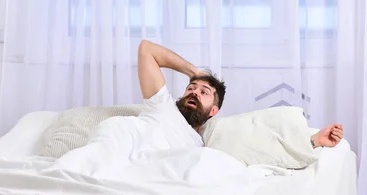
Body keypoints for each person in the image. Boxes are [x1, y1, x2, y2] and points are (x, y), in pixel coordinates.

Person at [137, 39, 343, 149]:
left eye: (204, 92)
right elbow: (147, 49)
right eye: (191, 88)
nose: (194, 93)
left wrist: (314, 141)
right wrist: (195, 73)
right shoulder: (162, 106)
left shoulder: (204, 143)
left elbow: (263, 147)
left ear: (214, 110)